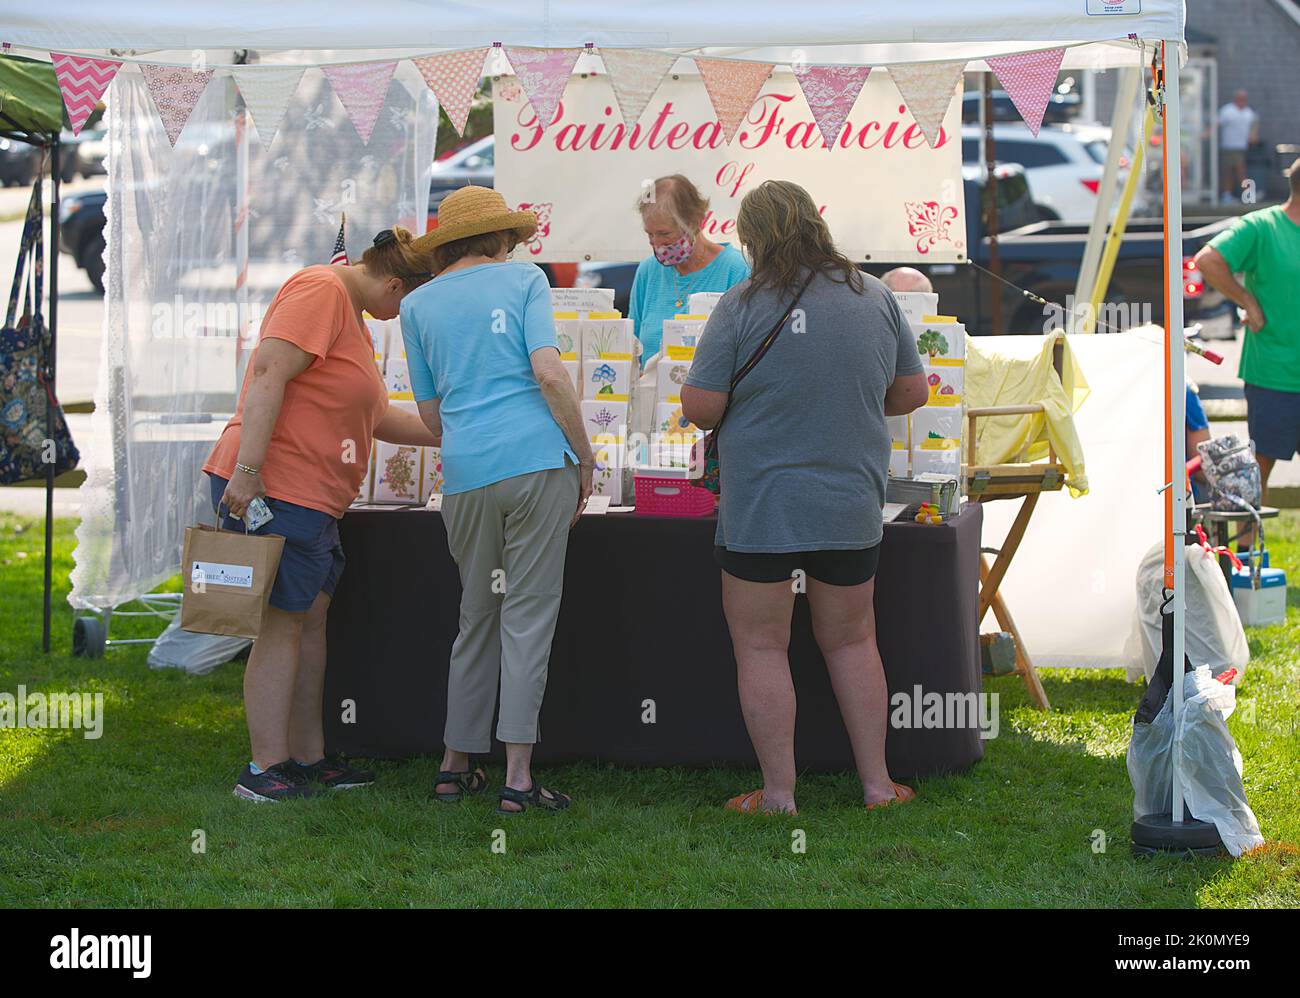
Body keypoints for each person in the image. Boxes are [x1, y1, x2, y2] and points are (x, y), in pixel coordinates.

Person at [681, 180, 930, 815]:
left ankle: (780, 795)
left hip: (762, 502)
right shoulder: (875, 296)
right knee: (853, 640)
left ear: (754, 239)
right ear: (818, 227)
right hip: (850, 495)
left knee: (761, 644)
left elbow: (703, 408)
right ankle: (878, 785)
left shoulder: (739, 303)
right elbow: (911, 394)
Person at [204, 228, 440, 802]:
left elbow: (379, 417)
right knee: (281, 625)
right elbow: (267, 373)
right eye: (405, 304)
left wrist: (462, 431)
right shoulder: (320, 290)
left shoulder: (352, 315)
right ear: (393, 283)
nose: (400, 317)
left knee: (307, 624)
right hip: (277, 488)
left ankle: (307, 758)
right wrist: (250, 472)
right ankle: (265, 768)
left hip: (310, 496)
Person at [400, 186, 594, 815]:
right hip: (537, 462)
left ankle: (454, 766)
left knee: (476, 615)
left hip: (464, 471)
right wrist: (585, 454)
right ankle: (516, 777)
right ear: (499, 238)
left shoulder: (418, 304)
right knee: (528, 617)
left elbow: (430, 413)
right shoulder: (524, 281)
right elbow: (548, 372)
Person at [1194, 157, 1300, 548]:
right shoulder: (1263, 227)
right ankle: (1246, 564)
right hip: (1273, 372)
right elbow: (1208, 260)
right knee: (1258, 473)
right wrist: (1247, 301)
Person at [628, 175, 750, 364]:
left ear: (695, 222)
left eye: (664, 234)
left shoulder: (736, 270)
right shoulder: (647, 271)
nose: (656, 243)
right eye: (649, 234)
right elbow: (631, 347)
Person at [1217, 90, 1258, 203]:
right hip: (1229, 147)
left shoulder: (1248, 112)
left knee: (1235, 171)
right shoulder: (1227, 111)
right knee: (1237, 171)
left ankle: (1230, 195)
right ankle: (1246, 195)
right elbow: (1217, 124)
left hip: (1242, 148)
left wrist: (1253, 136)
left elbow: (1254, 126)